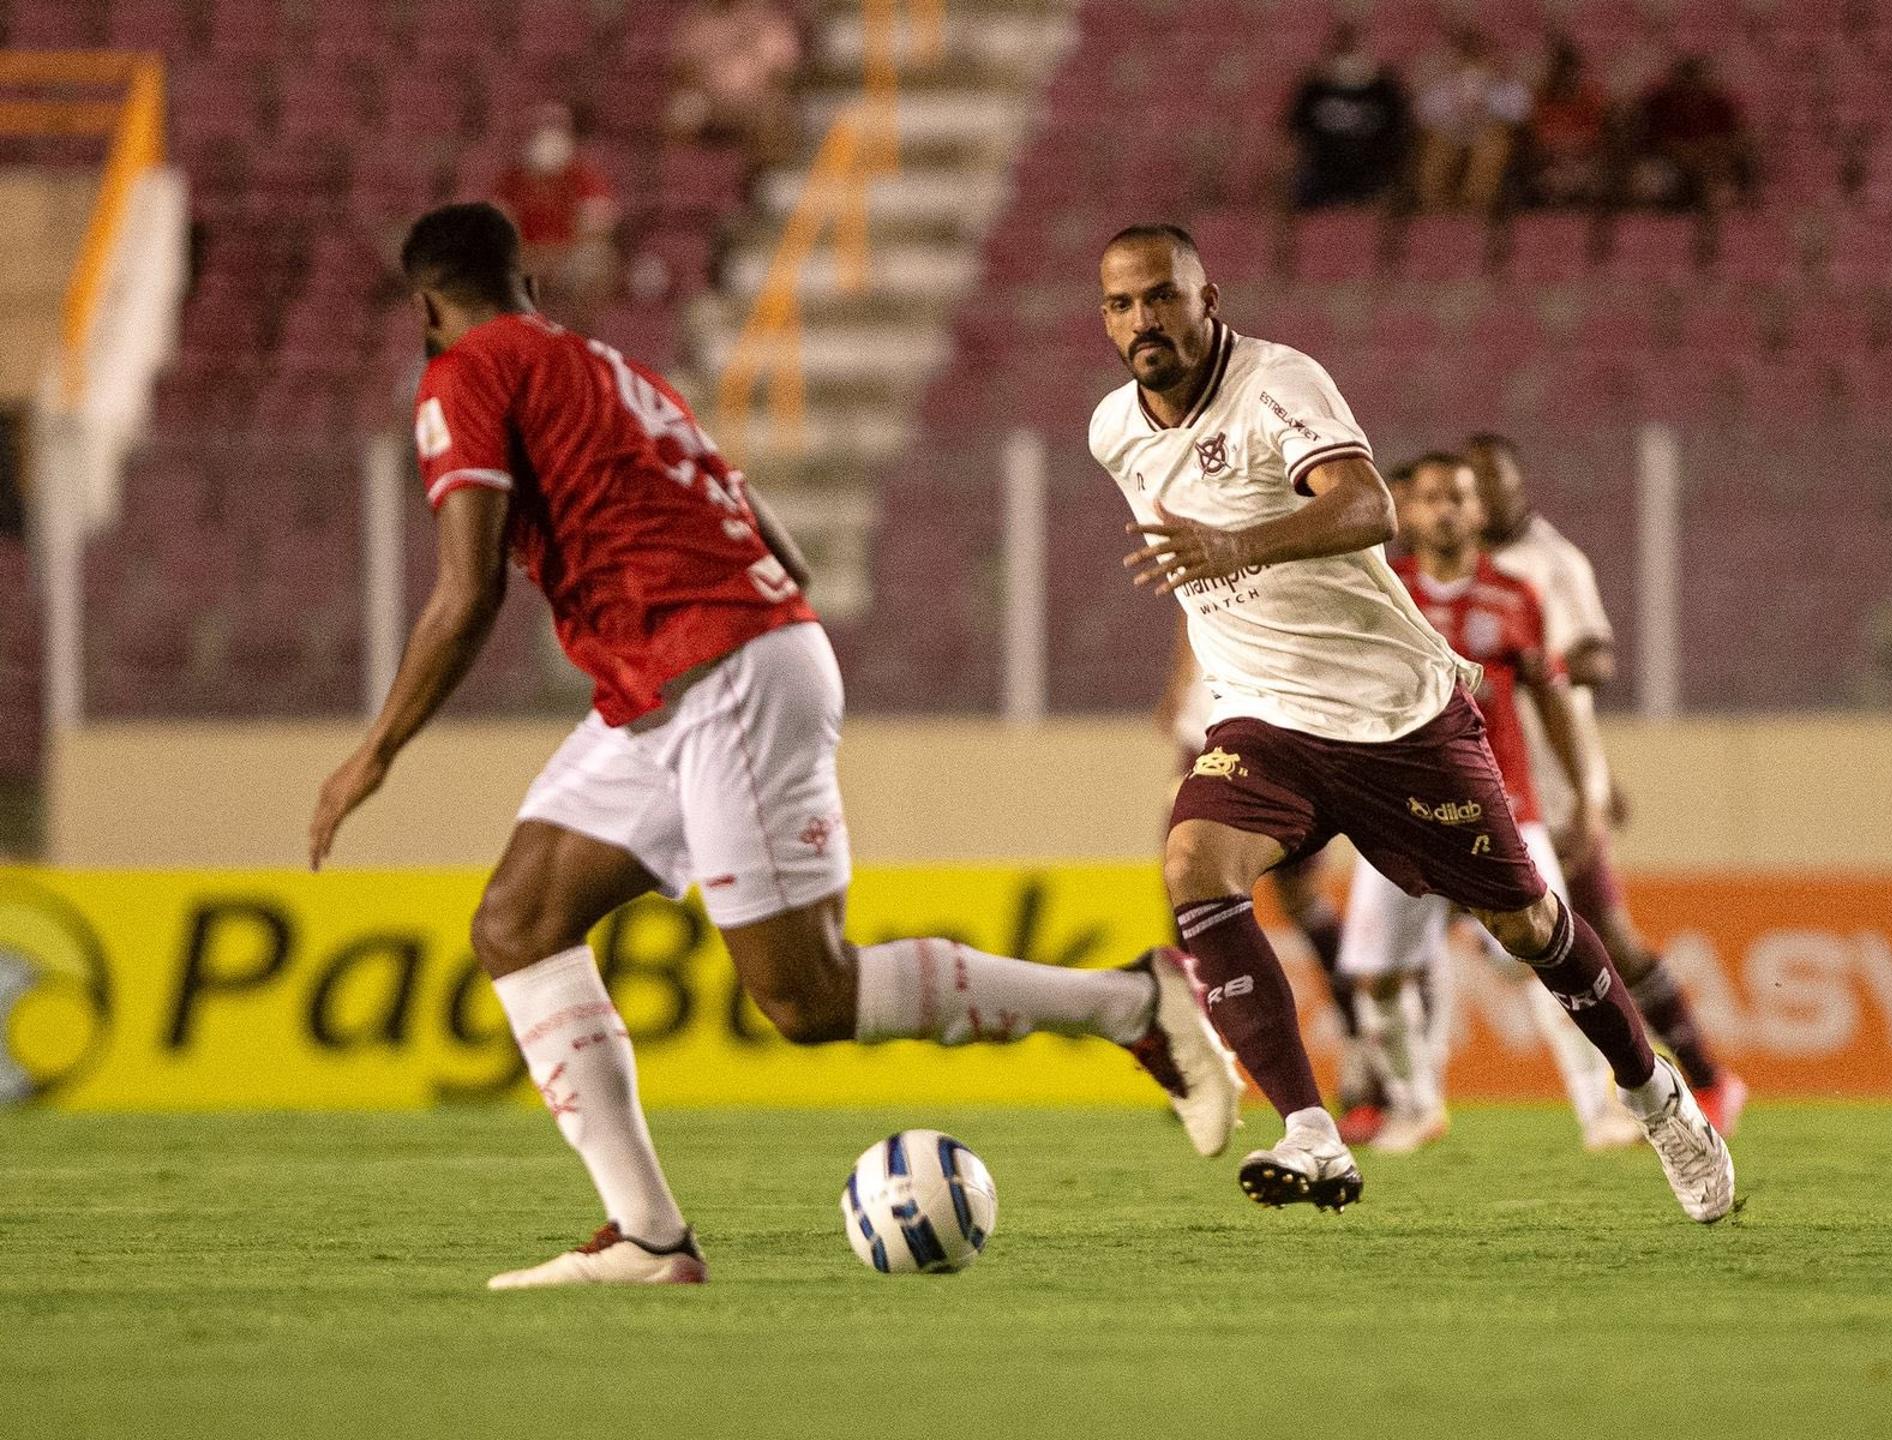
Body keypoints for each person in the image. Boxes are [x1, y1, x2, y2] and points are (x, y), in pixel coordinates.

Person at [307, 203, 1241, 1288]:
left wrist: (373, 751)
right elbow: (781, 547)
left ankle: (1135, 1005)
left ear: (425, 306)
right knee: (517, 923)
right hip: (673, 679)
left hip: (719, 672)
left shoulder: (467, 374)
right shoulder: (621, 376)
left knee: (807, 999)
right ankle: (649, 1238)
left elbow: (465, 592)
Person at [1089, 223, 1733, 1222]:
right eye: (1124, 305)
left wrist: (1238, 545)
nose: (1144, 321)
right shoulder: (1112, 430)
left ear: (1207, 297)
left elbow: (1367, 508)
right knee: (1191, 870)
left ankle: (1657, 1098)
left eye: (1162, 297)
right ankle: (1310, 1133)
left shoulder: (1277, 384)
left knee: (1530, 927)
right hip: (1265, 721)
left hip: (1397, 721)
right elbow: (1200, 581)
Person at [1337, 454, 1639, 1154]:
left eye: (1459, 498)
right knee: (1377, 976)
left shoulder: (1516, 595)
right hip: (1400, 812)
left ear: (1479, 514)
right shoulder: (1382, 592)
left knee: (1553, 952)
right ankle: (1415, 1105)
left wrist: (1587, 794)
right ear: (1407, 512)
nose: (1445, 510)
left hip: (1504, 810)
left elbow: (1553, 701)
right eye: (1433, 498)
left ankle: (1603, 1109)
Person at [1466, 433, 1747, 1135]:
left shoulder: (1552, 563)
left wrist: (1592, 772)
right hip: (1478, 768)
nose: (1486, 496)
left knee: (1600, 933)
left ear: (1517, 485)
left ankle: (1704, 1078)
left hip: (1552, 780)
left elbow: (1592, 658)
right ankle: (1383, 1093)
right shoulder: (1452, 569)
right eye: (1474, 483)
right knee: (1497, 932)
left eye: (1495, 480)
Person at [1155, 625, 1382, 1136]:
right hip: (1205, 727)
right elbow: (1194, 598)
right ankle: (1199, 1066)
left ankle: (1363, 1055)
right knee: (1186, 891)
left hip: (1275, 722)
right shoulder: (1204, 559)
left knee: (1300, 902)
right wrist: (1179, 682)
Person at [491, 103, 619, 323]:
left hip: (568, 256)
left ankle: (580, 333)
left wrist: (554, 259)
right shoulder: (510, 180)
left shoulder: (586, 177)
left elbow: (595, 232)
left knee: (592, 262)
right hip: (528, 255)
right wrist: (534, 258)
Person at [1281, 22, 1412, 210]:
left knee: (1393, 197)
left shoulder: (1384, 88)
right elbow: (1293, 130)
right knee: (1289, 190)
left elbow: (1399, 132)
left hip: (1372, 171)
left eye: (1353, 50)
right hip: (1323, 171)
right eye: (1343, 51)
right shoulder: (1314, 89)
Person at [665, 0, 802, 170]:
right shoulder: (700, 21)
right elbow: (684, 67)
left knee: (774, 112)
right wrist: (715, 95)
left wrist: (753, 96)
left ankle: (760, 179)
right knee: (683, 110)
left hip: (756, 100)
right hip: (709, 99)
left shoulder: (769, 21)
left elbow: (782, 72)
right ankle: (683, 176)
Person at [1412, 27, 1531, 212]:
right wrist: (1455, 109)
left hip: (1488, 134)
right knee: (1438, 147)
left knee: (1493, 147)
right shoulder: (1446, 85)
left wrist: (1488, 105)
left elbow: (1520, 113)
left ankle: (1476, 204)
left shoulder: (1507, 87)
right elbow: (1424, 113)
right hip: (1452, 133)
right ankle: (1435, 204)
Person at [1629, 56, 1753, 213]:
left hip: (1710, 164)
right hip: (1666, 165)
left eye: (1696, 79)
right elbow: (1643, 140)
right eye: (1687, 79)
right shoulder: (1658, 103)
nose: (1691, 86)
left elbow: (1738, 140)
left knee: (1720, 188)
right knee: (1649, 181)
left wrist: (1709, 150)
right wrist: (1677, 151)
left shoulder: (1720, 105)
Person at [1522, 39, 1614, 209]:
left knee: (1591, 180)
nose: (1567, 76)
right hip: (1550, 164)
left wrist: (1574, 153)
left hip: (1582, 162)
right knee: (1551, 182)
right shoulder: (1542, 98)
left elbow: (1596, 135)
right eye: (1562, 71)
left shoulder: (1590, 96)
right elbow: (1538, 137)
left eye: (1572, 71)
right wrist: (1561, 153)